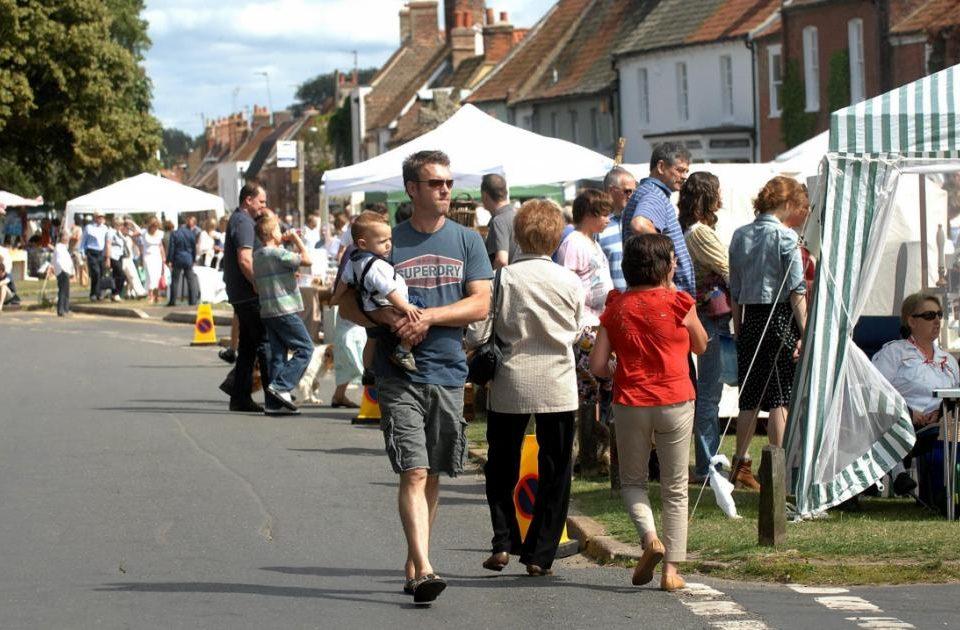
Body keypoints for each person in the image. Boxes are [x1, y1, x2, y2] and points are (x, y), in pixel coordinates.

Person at [334, 150, 492, 604]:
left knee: (436, 472)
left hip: (447, 369)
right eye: (435, 183)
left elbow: (481, 303)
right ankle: (424, 567)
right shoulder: (382, 240)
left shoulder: (467, 241)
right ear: (412, 190)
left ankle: (415, 555)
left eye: (448, 182)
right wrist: (386, 322)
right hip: (398, 371)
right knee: (415, 470)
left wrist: (429, 318)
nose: (445, 189)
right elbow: (343, 302)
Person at [467, 199, 582, 576]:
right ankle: (540, 551)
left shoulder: (504, 278)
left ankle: (503, 539)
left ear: (518, 235)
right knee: (556, 468)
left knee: (501, 464)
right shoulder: (570, 280)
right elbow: (578, 329)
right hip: (557, 381)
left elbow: (480, 331)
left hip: (511, 380)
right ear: (556, 235)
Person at [589, 233, 708, 592]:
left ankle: (650, 538)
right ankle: (671, 570)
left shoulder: (615, 307)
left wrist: (615, 368)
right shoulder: (679, 303)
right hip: (675, 399)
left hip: (631, 402)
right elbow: (701, 345)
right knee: (675, 488)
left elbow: (596, 364)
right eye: (671, 260)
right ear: (664, 266)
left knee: (633, 482)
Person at [728, 176, 809, 490]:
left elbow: (734, 288)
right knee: (779, 396)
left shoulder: (739, 235)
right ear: (787, 204)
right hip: (778, 319)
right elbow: (797, 291)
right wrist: (805, 331)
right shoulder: (786, 238)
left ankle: (741, 464)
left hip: (749, 319)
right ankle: (779, 470)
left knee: (749, 396)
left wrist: (738, 327)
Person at [873, 293, 960, 501]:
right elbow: (874, 391)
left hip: (944, 421)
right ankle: (932, 492)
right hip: (904, 423)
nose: (937, 320)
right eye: (930, 315)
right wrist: (910, 412)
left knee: (952, 424)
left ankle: (942, 494)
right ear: (911, 321)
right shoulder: (894, 353)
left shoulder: (949, 360)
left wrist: (941, 412)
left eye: (939, 314)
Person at [556, 189, 614, 472]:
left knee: (600, 389)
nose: (608, 218)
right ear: (589, 215)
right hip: (584, 326)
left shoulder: (593, 242)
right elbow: (565, 285)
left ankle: (597, 450)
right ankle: (587, 454)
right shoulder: (573, 244)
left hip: (599, 323)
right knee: (588, 392)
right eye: (603, 213)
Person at [679, 172, 730, 482]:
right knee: (709, 392)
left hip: (705, 315)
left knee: (707, 391)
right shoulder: (700, 233)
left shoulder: (692, 230)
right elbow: (727, 267)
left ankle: (707, 462)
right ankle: (707, 465)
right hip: (710, 316)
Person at [222, 181, 281, 413]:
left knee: (248, 345)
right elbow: (245, 259)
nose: (264, 206)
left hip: (241, 292)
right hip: (248, 293)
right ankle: (273, 397)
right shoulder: (244, 222)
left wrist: (267, 212)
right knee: (264, 341)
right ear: (248, 200)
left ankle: (239, 396)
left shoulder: (242, 219)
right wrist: (259, 284)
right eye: (261, 201)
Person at [340, 210, 421, 372]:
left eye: (390, 239)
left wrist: (335, 297)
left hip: (370, 308)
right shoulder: (376, 265)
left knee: (372, 338)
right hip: (389, 306)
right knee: (418, 315)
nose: (389, 244)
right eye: (382, 241)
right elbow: (389, 290)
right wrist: (406, 307)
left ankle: (368, 370)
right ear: (363, 244)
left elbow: (343, 281)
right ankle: (403, 350)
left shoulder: (354, 260)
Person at [252, 210, 314, 414]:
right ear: (271, 234)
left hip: (268, 310)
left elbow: (270, 278)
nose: (282, 232)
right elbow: (307, 260)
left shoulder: (258, 255)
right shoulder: (278, 253)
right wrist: (296, 238)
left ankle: (273, 403)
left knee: (278, 355)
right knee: (305, 348)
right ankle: (281, 386)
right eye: (279, 229)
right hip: (285, 309)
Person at [621, 142, 695, 298]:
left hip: (656, 292)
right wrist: (668, 266)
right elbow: (640, 225)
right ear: (661, 167)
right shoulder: (655, 195)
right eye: (679, 170)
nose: (684, 177)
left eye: (686, 171)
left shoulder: (648, 192)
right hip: (664, 295)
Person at [599, 166, 638, 292]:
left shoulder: (639, 222)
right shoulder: (598, 227)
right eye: (627, 191)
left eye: (634, 192)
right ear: (611, 191)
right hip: (610, 305)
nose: (632, 196)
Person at [481, 174, 519, 269]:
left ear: (485, 196)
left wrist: (492, 281)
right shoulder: (519, 215)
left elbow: (502, 260)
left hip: (507, 281)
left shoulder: (499, 220)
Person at [166, 216, 200, 306]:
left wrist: (169, 259)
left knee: (175, 280)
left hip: (177, 258)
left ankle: (172, 301)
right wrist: (193, 259)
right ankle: (192, 301)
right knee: (190, 280)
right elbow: (194, 248)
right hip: (188, 258)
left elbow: (171, 248)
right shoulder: (191, 233)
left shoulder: (175, 233)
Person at [81, 211, 109, 301]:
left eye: (102, 217)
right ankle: (93, 293)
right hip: (91, 252)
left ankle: (99, 293)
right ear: (95, 217)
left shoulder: (105, 228)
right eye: (99, 217)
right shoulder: (89, 227)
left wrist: (106, 255)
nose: (101, 219)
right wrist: (82, 252)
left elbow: (106, 242)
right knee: (95, 273)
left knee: (101, 273)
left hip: (101, 253)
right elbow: (83, 241)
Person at [140, 217, 166, 304]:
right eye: (153, 226)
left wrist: (163, 257)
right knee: (150, 276)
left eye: (156, 226)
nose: (155, 228)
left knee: (157, 277)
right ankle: (150, 296)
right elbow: (134, 236)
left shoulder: (160, 233)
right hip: (147, 256)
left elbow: (161, 246)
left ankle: (157, 296)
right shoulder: (144, 233)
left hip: (157, 257)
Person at [53, 227, 77, 316]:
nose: (67, 238)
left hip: (66, 271)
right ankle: (61, 309)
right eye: (66, 236)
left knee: (66, 291)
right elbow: (59, 261)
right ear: (62, 237)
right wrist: (63, 270)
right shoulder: (59, 247)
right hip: (62, 271)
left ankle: (65, 309)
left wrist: (71, 271)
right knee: (63, 291)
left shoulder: (64, 247)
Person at [119, 221, 146, 299]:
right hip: (119, 258)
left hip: (128, 258)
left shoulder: (129, 235)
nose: (127, 229)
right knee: (119, 277)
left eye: (128, 228)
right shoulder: (117, 234)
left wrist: (132, 223)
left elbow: (140, 232)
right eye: (125, 227)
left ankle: (140, 292)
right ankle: (115, 293)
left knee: (133, 275)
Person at [104, 217, 127, 302]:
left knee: (116, 275)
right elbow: (108, 245)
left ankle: (114, 294)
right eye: (120, 224)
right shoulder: (110, 232)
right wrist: (108, 258)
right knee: (121, 275)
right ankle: (116, 293)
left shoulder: (119, 233)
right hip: (113, 256)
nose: (121, 226)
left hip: (119, 255)